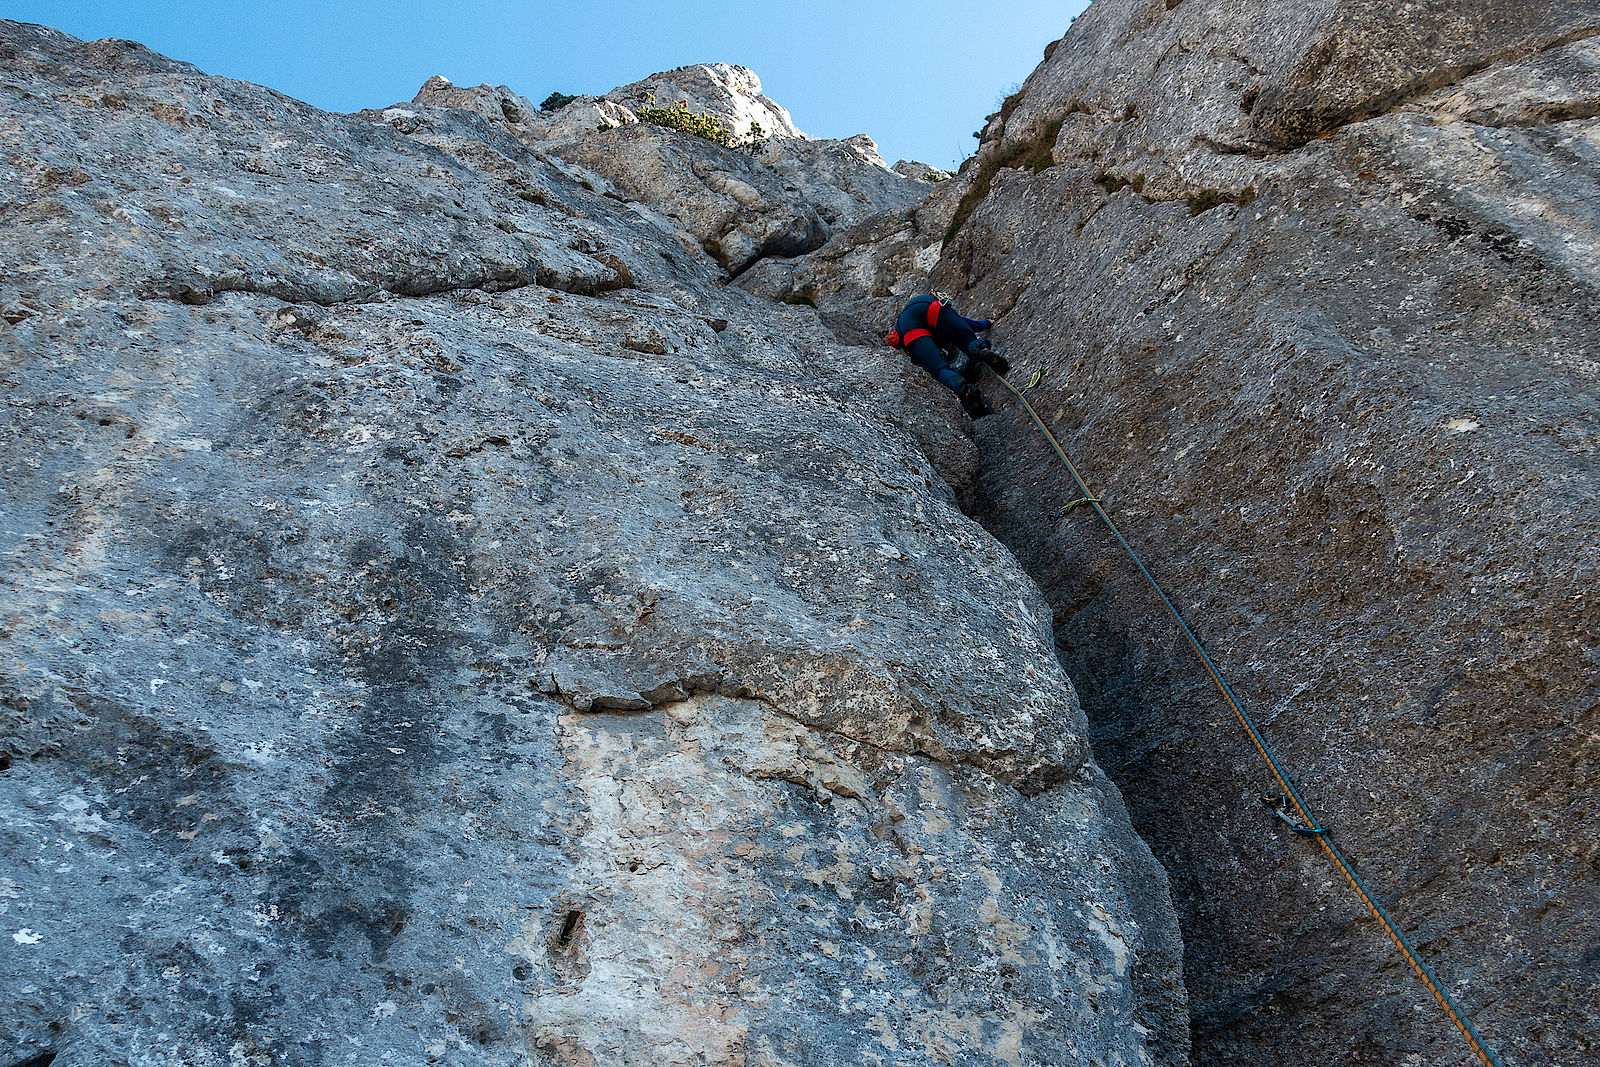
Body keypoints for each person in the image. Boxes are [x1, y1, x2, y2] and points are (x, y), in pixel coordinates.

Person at [884, 293, 1009, 418]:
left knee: (938, 369)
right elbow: (959, 323)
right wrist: (985, 323)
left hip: (912, 328)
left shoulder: (906, 337)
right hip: (932, 303)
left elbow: (927, 360)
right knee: (967, 341)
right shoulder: (908, 316)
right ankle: (979, 348)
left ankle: (966, 391)